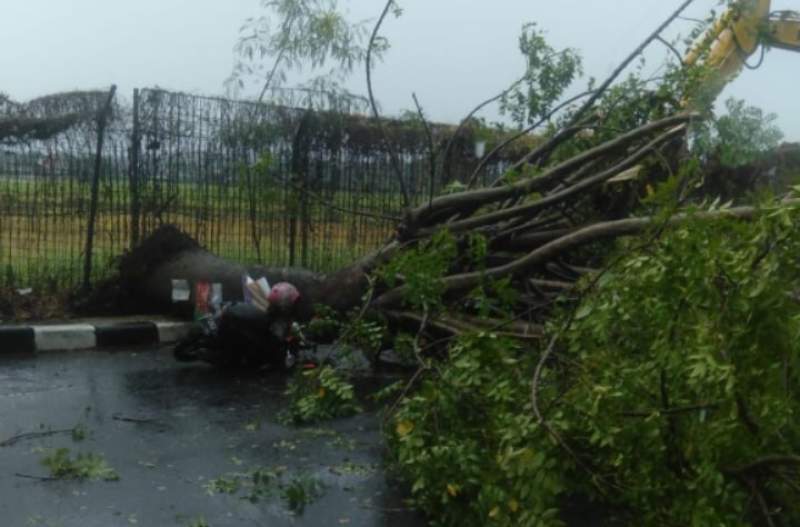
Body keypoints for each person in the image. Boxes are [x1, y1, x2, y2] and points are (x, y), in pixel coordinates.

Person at [175, 281, 303, 370]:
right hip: (231, 343)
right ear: (286, 303)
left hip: (227, 324)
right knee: (239, 362)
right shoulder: (274, 323)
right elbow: (274, 346)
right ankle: (218, 357)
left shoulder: (267, 316)